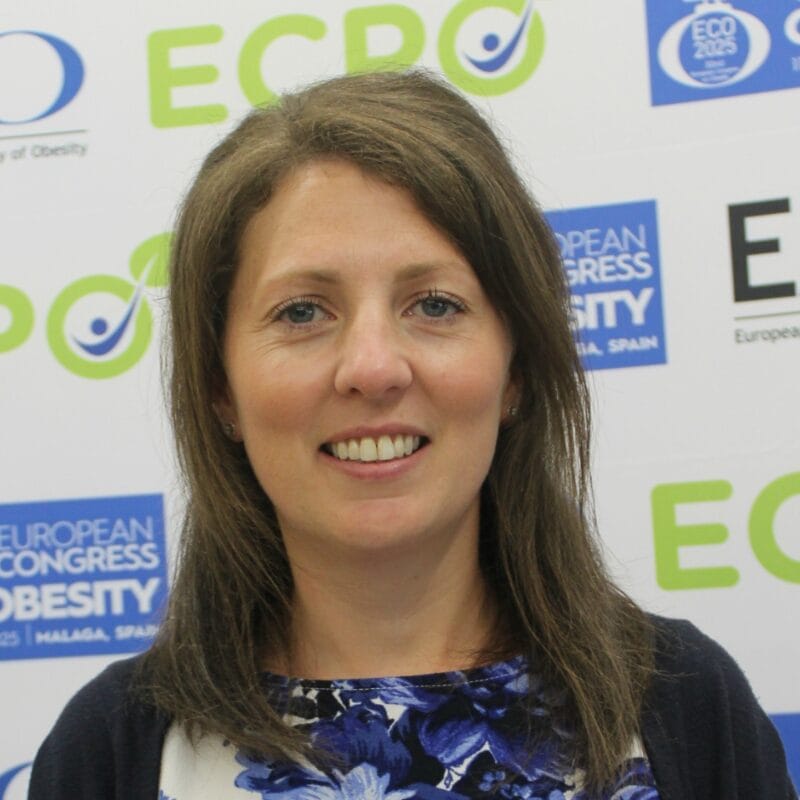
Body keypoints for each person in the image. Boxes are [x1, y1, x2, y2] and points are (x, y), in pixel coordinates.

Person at [28, 70, 796, 800]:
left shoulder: (685, 705)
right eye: (303, 311)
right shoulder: (111, 749)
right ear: (220, 388)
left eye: (434, 304)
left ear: (517, 368)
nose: (373, 367)